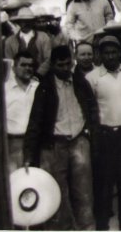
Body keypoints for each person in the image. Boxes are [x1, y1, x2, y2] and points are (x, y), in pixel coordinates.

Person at [24, 45, 97, 230]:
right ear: (53, 65)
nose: (65, 68)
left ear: (72, 62)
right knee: (58, 192)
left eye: (67, 64)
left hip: (79, 141)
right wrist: (29, 154)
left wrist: (90, 132)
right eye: (60, 65)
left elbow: (92, 108)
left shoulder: (80, 82)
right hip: (55, 145)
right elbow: (35, 122)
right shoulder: (45, 88)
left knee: (84, 190)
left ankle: (87, 227)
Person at [84, 36, 121, 231]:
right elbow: (89, 109)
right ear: (100, 55)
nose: (110, 56)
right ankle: (102, 223)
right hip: (104, 135)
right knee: (104, 182)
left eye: (113, 52)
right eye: (106, 53)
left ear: (120, 53)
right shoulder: (92, 77)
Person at [5, 52, 39, 173]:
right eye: (23, 65)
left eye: (30, 65)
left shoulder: (39, 87)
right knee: (15, 180)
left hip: (36, 142)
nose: (27, 68)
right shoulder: (4, 89)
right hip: (13, 143)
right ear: (14, 67)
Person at [3, 6, 53, 77]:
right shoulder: (10, 41)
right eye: (23, 21)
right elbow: (10, 62)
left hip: (40, 77)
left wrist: (38, 74)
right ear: (19, 22)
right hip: (18, 78)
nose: (26, 23)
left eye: (29, 21)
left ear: (33, 22)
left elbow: (48, 58)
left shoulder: (43, 37)